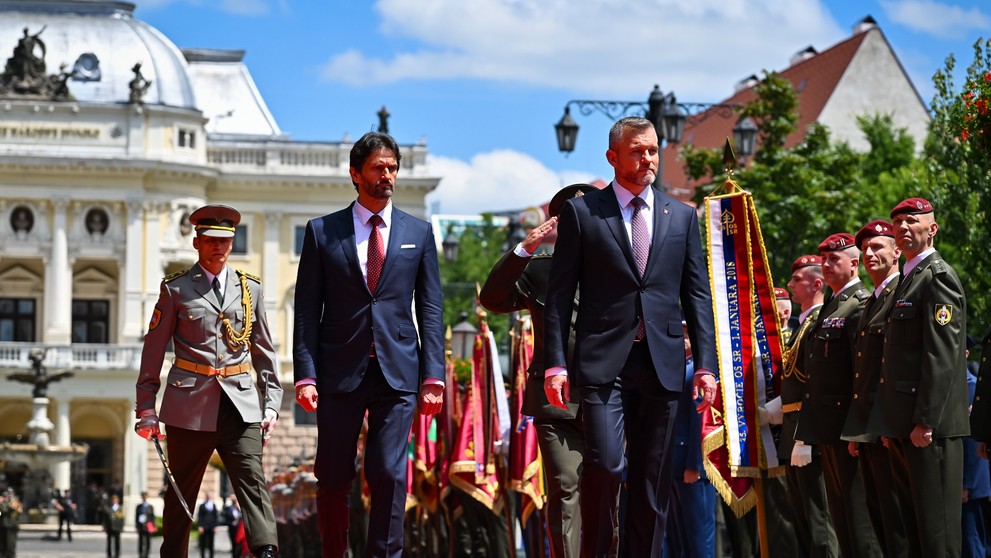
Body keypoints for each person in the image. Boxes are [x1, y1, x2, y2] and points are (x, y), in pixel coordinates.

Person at [543, 116, 718, 557]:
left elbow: (696, 295)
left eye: (653, 150)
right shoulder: (583, 213)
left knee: (651, 479)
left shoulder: (681, 216)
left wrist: (706, 366)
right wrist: (555, 363)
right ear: (612, 156)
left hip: (662, 365)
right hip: (604, 364)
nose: (648, 159)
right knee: (605, 463)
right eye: (638, 151)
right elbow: (559, 296)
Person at [293, 131, 445, 558]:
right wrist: (305, 374)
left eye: (393, 168)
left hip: (398, 373)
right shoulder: (323, 233)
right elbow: (306, 311)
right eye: (379, 168)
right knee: (334, 475)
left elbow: (431, 308)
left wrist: (433, 375)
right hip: (339, 372)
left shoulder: (419, 232)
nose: (388, 176)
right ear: (355, 174)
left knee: (389, 473)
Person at [134, 203, 282, 558]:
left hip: (240, 403)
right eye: (212, 239)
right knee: (180, 491)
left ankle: (266, 551)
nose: (219, 247)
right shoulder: (176, 290)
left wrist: (272, 403)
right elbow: (153, 352)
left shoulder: (251, 290)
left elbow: (264, 351)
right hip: (188, 407)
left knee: (253, 481)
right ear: (197, 242)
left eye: (226, 241)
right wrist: (146, 409)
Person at [479, 183, 597, 558]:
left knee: (607, 491)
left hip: (607, 398)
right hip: (556, 405)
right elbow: (492, 298)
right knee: (565, 488)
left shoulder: (621, 268)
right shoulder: (541, 270)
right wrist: (522, 251)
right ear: (563, 222)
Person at [868, 197, 969, 557]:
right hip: (903, 426)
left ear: (933, 228)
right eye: (898, 224)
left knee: (936, 535)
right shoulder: (908, 281)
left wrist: (925, 420)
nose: (904, 228)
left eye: (912, 221)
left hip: (929, 429)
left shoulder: (938, 278)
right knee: (914, 533)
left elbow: (940, 357)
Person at [794, 233, 880, 557]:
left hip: (847, 429)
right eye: (824, 260)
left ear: (855, 263)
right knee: (842, 521)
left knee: (860, 525)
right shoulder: (832, 304)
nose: (826, 265)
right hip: (827, 428)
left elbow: (862, 374)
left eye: (834, 259)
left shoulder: (858, 304)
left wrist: (858, 429)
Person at [840, 219, 910, 557]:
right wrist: (857, 429)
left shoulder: (901, 293)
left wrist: (882, 424)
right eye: (864, 248)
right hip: (868, 429)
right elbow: (861, 373)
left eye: (877, 246)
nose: (869, 253)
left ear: (897, 250)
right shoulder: (871, 301)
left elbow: (891, 369)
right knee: (878, 517)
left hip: (888, 426)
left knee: (897, 522)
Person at [766, 255, 839, 557]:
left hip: (808, 435)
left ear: (817, 283)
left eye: (797, 280)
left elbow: (818, 383)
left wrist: (806, 436)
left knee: (821, 525)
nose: (790, 285)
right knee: (803, 524)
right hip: (794, 431)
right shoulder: (803, 325)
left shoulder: (821, 321)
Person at [664, 322, 717, 558]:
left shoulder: (698, 369)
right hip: (675, 463)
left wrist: (695, 465)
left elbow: (701, 421)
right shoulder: (681, 366)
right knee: (680, 537)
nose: (683, 338)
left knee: (699, 540)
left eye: (687, 333)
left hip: (691, 466)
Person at [197, 492, 220, 558]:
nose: (209, 497)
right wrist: (200, 526)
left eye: (210, 496)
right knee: (203, 543)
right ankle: (202, 556)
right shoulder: (202, 505)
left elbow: (216, 517)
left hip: (211, 527)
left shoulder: (214, 505)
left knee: (211, 543)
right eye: (208, 496)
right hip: (204, 527)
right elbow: (200, 516)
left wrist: (216, 526)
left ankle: (211, 556)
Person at [102, 493, 125, 558]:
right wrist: (104, 526)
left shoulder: (120, 508)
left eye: (116, 500)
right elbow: (105, 518)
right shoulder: (109, 508)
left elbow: (121, 518)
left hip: (117, 527)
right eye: (113, 500)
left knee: (117, 542)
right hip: (109, 527)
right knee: (109, 542)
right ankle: (109, 554)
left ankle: (117, 554)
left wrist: (122, 526)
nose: (114, 501)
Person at [135, 491, 156, 558]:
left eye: (145, 496)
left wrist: (152, 526)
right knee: (141, 541)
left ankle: (147, 554)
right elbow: (136, 516)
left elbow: (152, 517)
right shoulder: (139, 506)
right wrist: (137, 525)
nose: (144, 498)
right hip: (141, 526)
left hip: (148, 526)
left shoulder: (150, 507)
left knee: (148, 541)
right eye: (143, 496)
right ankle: (141, 554)